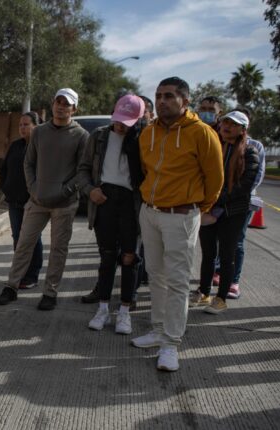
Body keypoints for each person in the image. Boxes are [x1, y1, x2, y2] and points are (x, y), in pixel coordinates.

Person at [131, 77, 223, 372]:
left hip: (182, 216)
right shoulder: (148, 133)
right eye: (158, 96)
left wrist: (199, 210)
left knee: (178, 281)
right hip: (150, 212)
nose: (161, 101)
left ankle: (171, 343)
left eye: (169, 96)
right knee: (155, 274)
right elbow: (146, 171)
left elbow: (215, 179)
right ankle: (158, 330)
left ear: (185, 101)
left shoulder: (202, 133)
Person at [0, 88, 88, 310]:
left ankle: (50, 292)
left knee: (58, 249)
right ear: (53, 103)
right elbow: (29, 163)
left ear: (74, 108)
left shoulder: (81, 136)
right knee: (23, 244)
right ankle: (11, 287)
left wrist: (65, 191)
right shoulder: (40, 132)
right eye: (58, 101)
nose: (61, 106)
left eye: (67, 103)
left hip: (64, 205)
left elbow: (83, 170)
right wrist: (33, 188)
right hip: (37, 201)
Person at [78, 95, 145, 334]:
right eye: (118, 119)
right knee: (107, 257)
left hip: (131, 203)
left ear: (138, 120)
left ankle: (125, 311)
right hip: (104, 199)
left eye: (127, 122)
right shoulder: (99, 136)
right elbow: (83, 170)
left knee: (129, 258)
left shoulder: (143, 140)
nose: (120, 125)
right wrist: (90, 190)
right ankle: (103, 309)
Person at [190, 111, 259, 313]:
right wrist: (206, 201)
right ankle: (203, 292)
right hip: (209, 208)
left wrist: (216, 200)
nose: (227, 126)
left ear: (242, 130)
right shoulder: (212, 146)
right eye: (225, 122)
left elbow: (244, 186)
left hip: (233, 212)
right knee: (208, 253)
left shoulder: (249, 152)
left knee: (227, 255)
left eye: (234, 124)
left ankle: (220, 298)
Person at [0, 112, 44, 291]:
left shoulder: (40, 147)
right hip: (14, 201)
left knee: (32, 239)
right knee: (18, 237)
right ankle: (19, 274)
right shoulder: (15, 145)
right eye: (20, 125)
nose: (22, 128)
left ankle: (32, 275)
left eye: (26, 124)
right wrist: (4, 188)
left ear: (36, 126)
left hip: (33, 202)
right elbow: (5, 169)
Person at [228, 108, 266, 298]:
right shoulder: (223, 143)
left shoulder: (255, 146)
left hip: (243, 202)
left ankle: (234, 281)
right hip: (222, 200)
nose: (231, 127)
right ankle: (219, 274)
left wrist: (237, 193)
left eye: (236, 123)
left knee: (238, 241)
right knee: (221, 242)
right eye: (229, 122)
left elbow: (257, 176)